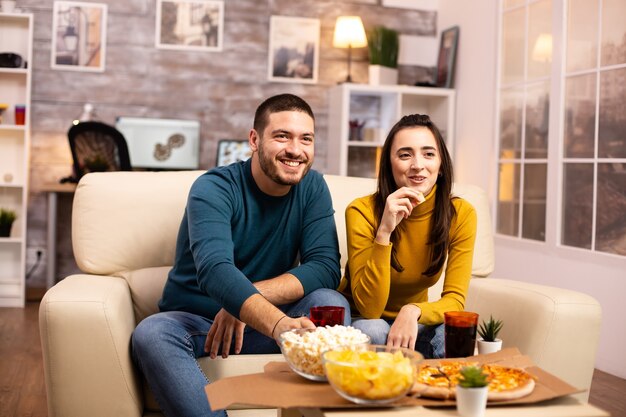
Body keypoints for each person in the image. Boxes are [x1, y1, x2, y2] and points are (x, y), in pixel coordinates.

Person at [131, 93, 349, 417]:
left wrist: (244, 302)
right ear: (254, 139)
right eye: (282, 136)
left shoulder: (312, 186)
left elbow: (326, 266)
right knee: (152, 333)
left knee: (331, 303)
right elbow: (216, 270)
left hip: (263, 322)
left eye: (306, 139)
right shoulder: (213, 188)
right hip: (200, 325)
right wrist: (275, 324)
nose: (295, 149)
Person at [339, 114, 477, 359]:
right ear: (389, 165)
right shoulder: (361, 211)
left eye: (428, 154)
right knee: (376, 329)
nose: (417, 164)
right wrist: (384, 232)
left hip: (414, 324)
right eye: (405, 155)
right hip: (365, 322)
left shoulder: (461, 214)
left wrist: (413, 311)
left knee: (453, 333)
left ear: (441, 164)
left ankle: (438, 393)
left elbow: (455, 300)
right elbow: (370, 309)